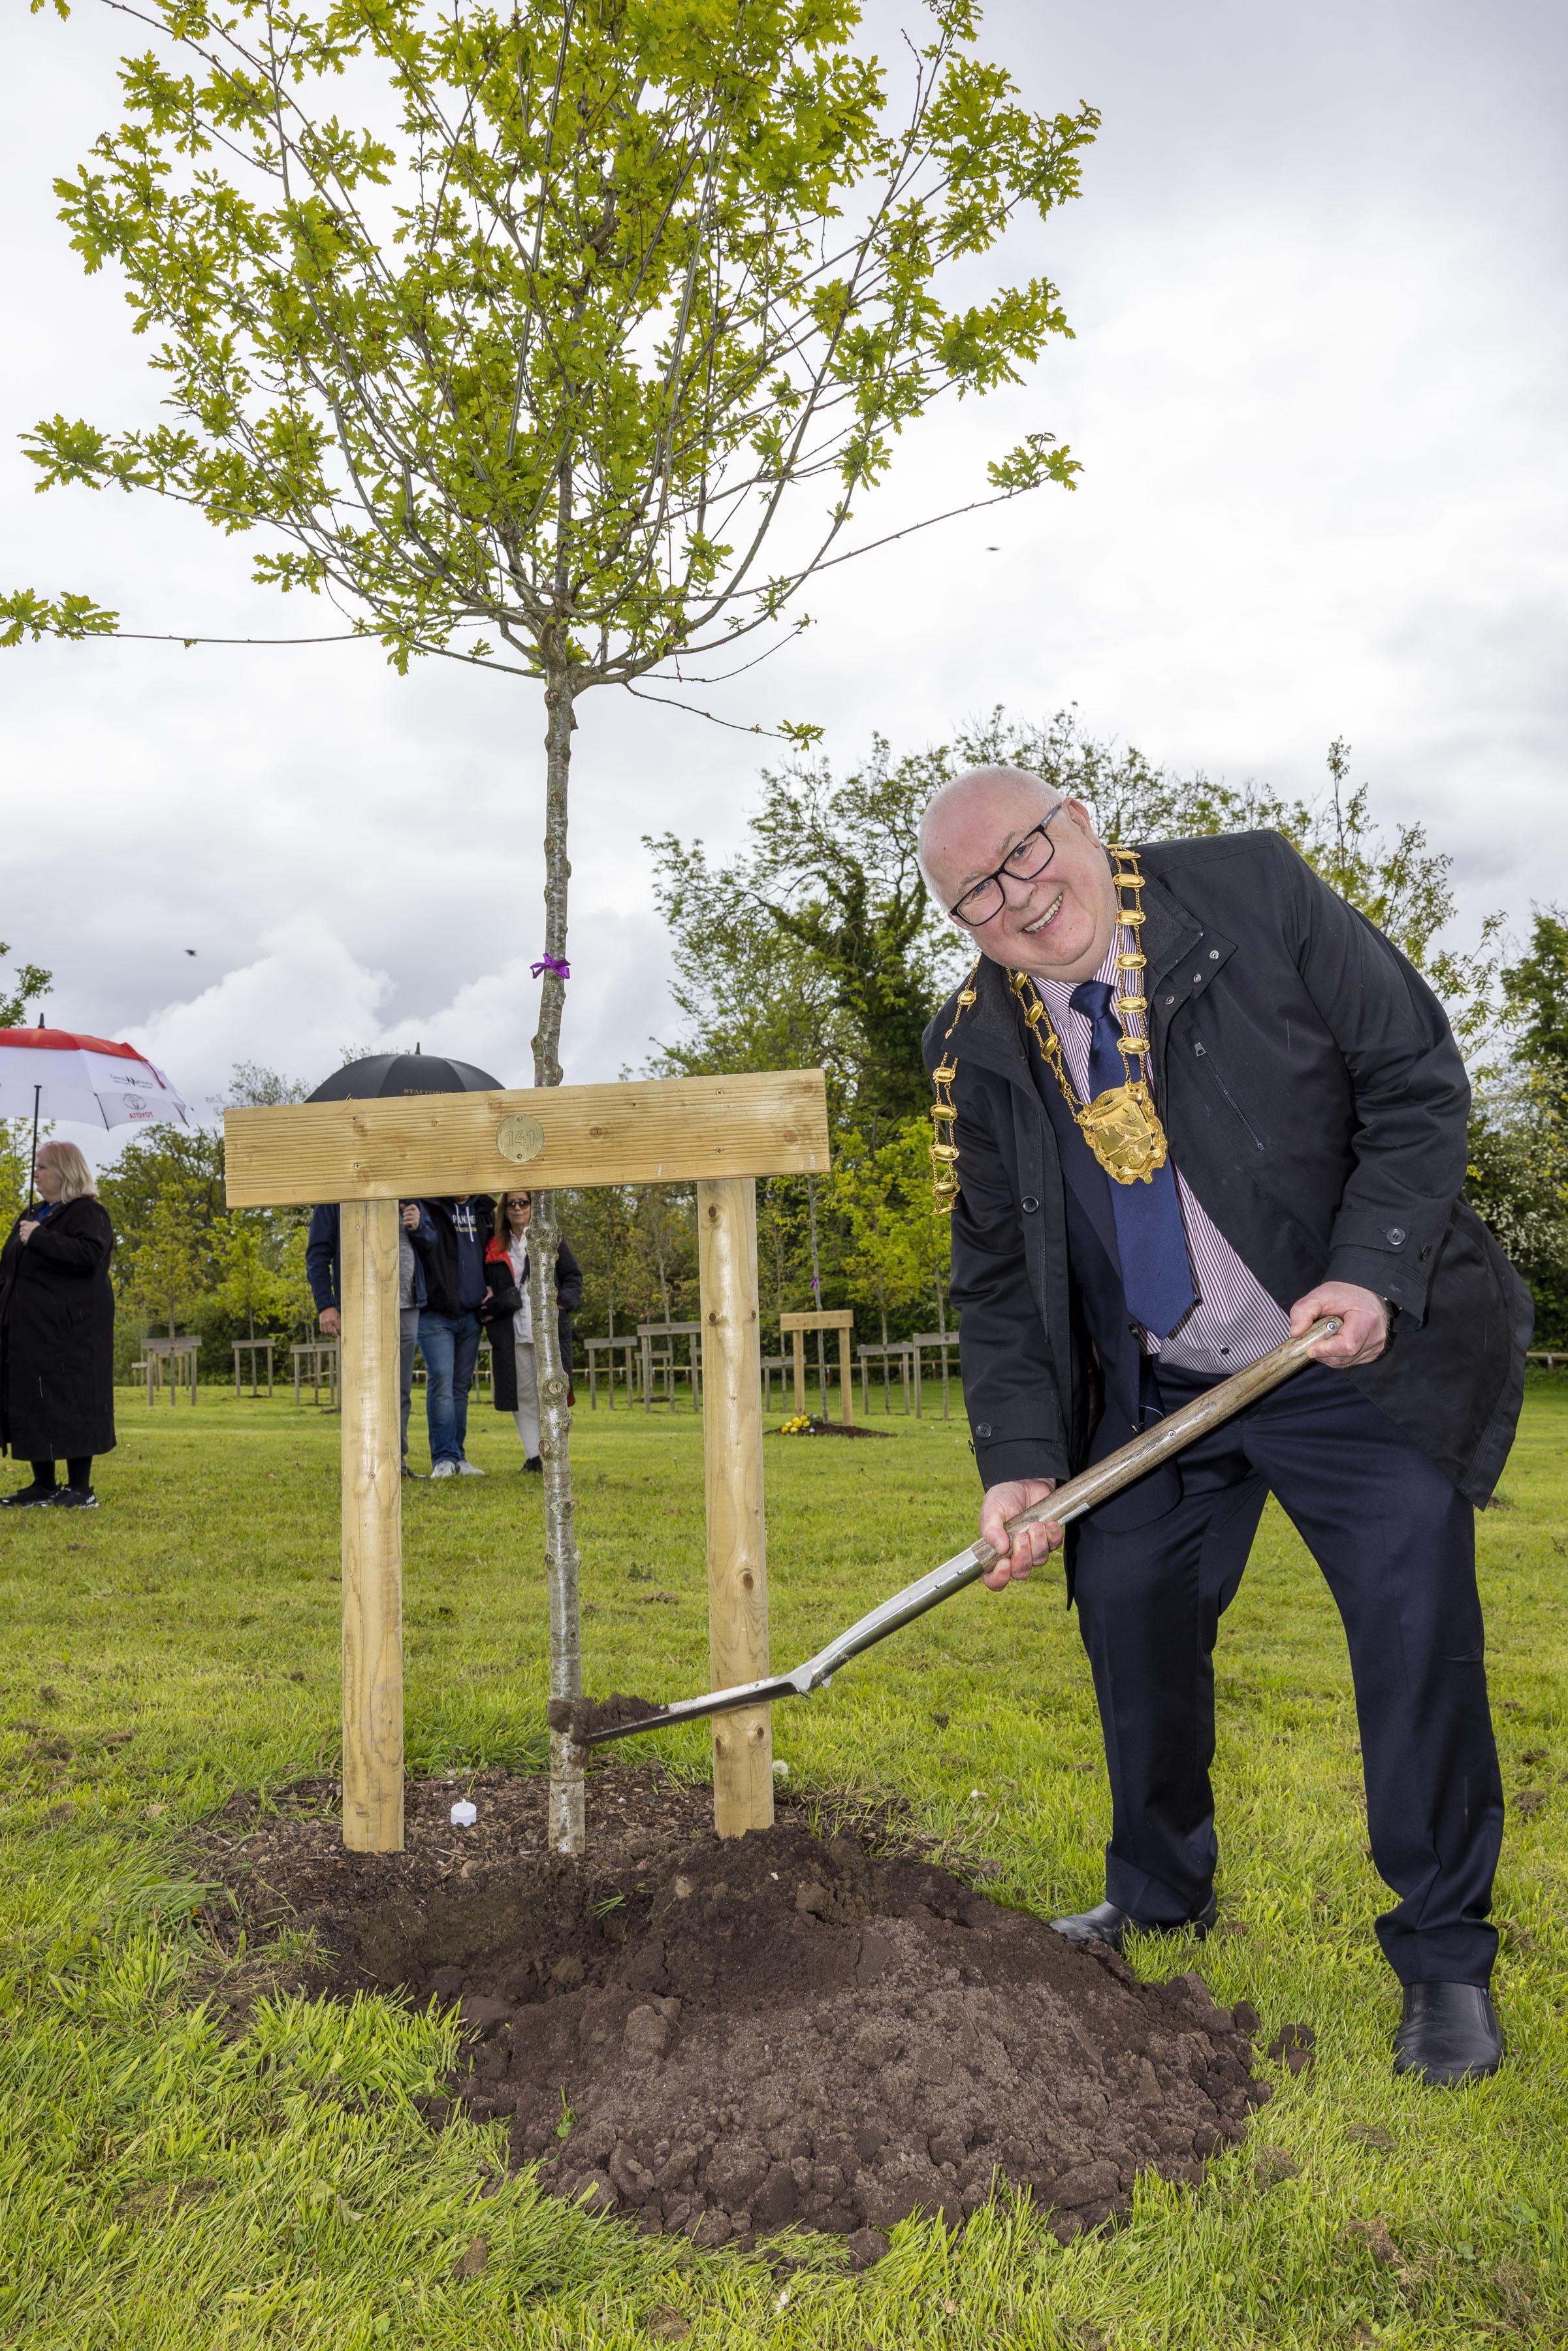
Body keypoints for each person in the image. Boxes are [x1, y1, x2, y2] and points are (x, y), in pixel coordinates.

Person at [918, 766, 1532, 2089]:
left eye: (1027, 854)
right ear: (961, 922)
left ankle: (1441, 1960)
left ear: (1077, 824)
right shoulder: (974, 1042)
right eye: (979, 893)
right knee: (1127, 1614)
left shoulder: (1249, 892)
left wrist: (1371, 1267)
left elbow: (1413, 1078)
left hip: (1334, 1355)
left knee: (1412, 1638)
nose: (1021, 899)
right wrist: (1022, 1462)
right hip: (1157, 1387)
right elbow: (996, 1277)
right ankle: (1157, 1895)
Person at [0, 1142, 116, 1508]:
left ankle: (80, 1490)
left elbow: (89, 1256)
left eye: (43, 1167)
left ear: (66, 1171)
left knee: (72, 1401)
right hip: (29, 1332)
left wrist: (40, 1237)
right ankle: (43, 1485)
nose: (35, 1172)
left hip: (71, 1332)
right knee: (34, 1400)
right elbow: (10, 1265)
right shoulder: (33, 1213)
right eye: (36, 1166)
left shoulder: (87, 1212)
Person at [305, 1200, 426, 1475]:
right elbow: (317, 1254)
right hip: (359, 1305)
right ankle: (363, 1463)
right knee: (362, 1388)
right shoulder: (334, 1195)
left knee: (400, 1390)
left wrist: (419, 1226)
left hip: (405, 1306)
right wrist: (326, 1305)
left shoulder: (406, 1191)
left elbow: (431, 1244)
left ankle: (397, 1463)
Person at [481, 1190, 584, 1470]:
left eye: (523, 1203)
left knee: (551, 1392)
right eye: (511, 1203)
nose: (517, 1208)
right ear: (504, 1209)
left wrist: (563, 1304)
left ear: (532, 1206)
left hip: (547, 1330)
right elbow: (485, 1284)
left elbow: (573, 1276)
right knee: (523, 1395)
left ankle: (556, 1453)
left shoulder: (548, 1238)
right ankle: (534, 1456)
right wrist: (489, 1308)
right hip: (512, 1331)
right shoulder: (494, 1245)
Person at [409, 1193, 494, 1478]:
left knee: (460, 1388)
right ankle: (443, 1459)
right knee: (442, 1382)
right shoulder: (428, 1206)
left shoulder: (483, 1208)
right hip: (435, 1313)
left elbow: (493, 1253)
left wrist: (493, 1287)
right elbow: (422, 1244)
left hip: (471, 1315)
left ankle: (459, 1457)